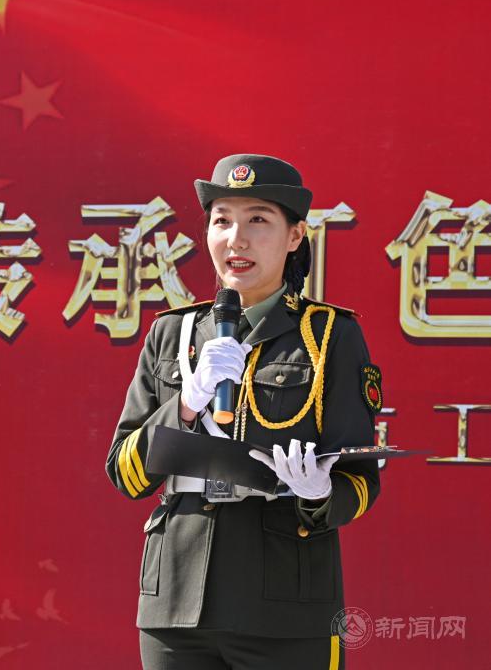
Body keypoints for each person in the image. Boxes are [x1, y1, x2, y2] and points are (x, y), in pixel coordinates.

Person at [105, 154, 383, 669]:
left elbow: (360, 480)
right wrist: (186, 404)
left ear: (294, 236)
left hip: (285, 604)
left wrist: (319, 493)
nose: (237, 239)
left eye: (258, 219)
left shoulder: (330, 335)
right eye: (222, 221)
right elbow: (126, 472)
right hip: (176, 604)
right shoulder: (173, 333)